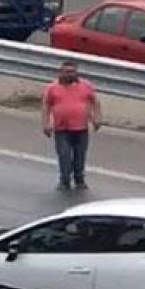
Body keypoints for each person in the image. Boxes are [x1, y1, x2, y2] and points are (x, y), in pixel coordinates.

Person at [42, 60, 102, 191]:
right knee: (64, 155)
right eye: (67, 72)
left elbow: (95, 102)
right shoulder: (52, 88)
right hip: (61, 129)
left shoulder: (86, 86)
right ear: (61, 73)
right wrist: (46, 124)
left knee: (80, 155)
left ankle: (79, 179)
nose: (71, 75)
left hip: (81, 129)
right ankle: (64, 180)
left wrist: (96, 119)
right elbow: (46, 106)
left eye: (73, 72)